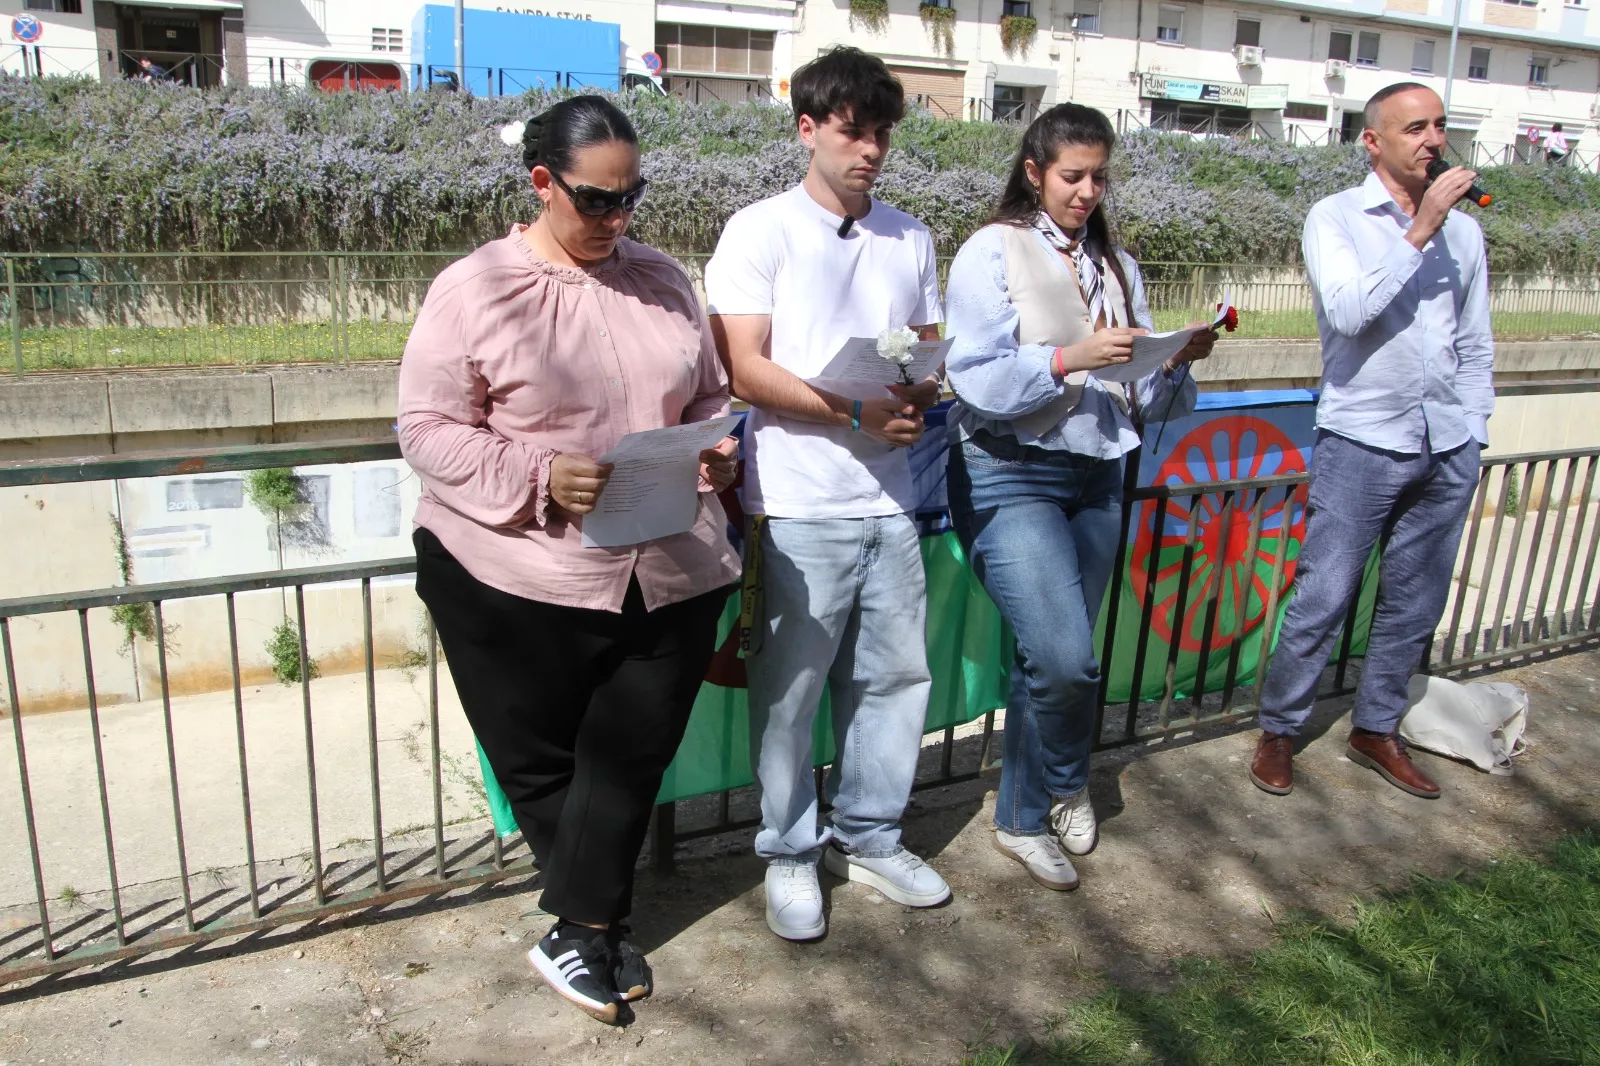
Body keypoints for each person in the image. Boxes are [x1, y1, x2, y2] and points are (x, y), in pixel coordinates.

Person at [397, 96, 741, 1024]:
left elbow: (711, 396)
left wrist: (716, 452)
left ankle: (579, 925)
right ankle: (594, 926)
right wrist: (542, 474)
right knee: (544, 761)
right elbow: (425, 430)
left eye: (633, 198)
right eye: (597, 201)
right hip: (513, 573)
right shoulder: (473, 288)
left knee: (630, 755)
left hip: (668, 565)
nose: (618, 219)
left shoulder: (666, 280)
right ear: (543, 183)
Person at [704, 46, 952, 941]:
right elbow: (742, 369)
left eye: (882, 132)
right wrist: (853, 410)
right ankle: (789, 852)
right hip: (798, 502)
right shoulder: (758, 230)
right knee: (791, 696)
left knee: (893, 681)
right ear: (807, 128)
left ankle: (874, 836)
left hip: (890, 501)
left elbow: (928, 349)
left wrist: (919, 390)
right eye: (853, 131)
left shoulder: (912, 235)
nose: (871, 149)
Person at [943, 104, 1214, 892]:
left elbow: (1151, 400)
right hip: (1009, 467)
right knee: (1066, 657)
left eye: (1100, 175)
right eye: (1073, 175)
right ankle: (1065, 782)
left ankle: (1027, 811)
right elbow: (978, 379)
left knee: (1053, 658)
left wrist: (1174, 360)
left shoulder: (1117, 267)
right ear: (1035, 172)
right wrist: (1068, 357)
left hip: (1101, 471)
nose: (1089, 190)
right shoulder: (991, 252)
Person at [1248, 82, 1493, 799]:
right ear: (1373, 140)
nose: (1432, 140)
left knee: (1416, 600)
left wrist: (1474, 427)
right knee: (1324, 593)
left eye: (1440, 127)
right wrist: (1419, 232)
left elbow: (1475, 341)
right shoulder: (1337, 218)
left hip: (1447, 440)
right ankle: (1280, 730)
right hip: (1363, 438)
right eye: (1415, 127)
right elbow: (1351, 313)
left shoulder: (1466, 234)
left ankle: (1376, 726)